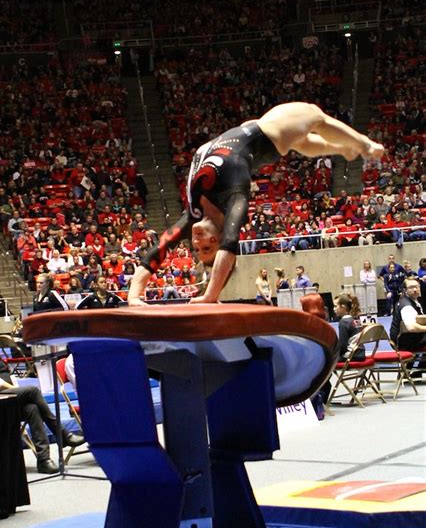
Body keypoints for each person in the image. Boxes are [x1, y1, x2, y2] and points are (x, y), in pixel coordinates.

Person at [128, 102, 384, 305]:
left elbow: (160, 248)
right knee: (317, 118)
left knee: (303, 143)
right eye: (207, 247)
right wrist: (210, 295)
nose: (197, 242)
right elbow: (230, 244)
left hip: (247, 134)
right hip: (269, 132)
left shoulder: (193, 215)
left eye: (197, 249)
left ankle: (344, 149)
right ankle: (364, 144)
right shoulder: (234, 196)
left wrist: (134, 293)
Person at [0, 318, 85, 474]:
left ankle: (44, 460)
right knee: (32, 391)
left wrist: (16, 390)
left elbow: (7, 376)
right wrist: (15, 390)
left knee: (31, 408)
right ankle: (62, 434)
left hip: (4, 400)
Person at [390, 279, 426, 352]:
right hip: (404, 342)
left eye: (417, 286)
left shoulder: (414, 301)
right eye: (411, 287)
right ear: (405, 290)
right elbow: (411, 327)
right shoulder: (407, 306)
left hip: (410, 338)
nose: (415, 289)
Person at [334, 294, 365, 361]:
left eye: (335, 306)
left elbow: (343, 345)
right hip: (361, 353)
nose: (334, 309)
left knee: (326, 361)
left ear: (343, 306)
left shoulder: (344, 322)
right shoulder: (356, 319)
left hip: (351, 356)